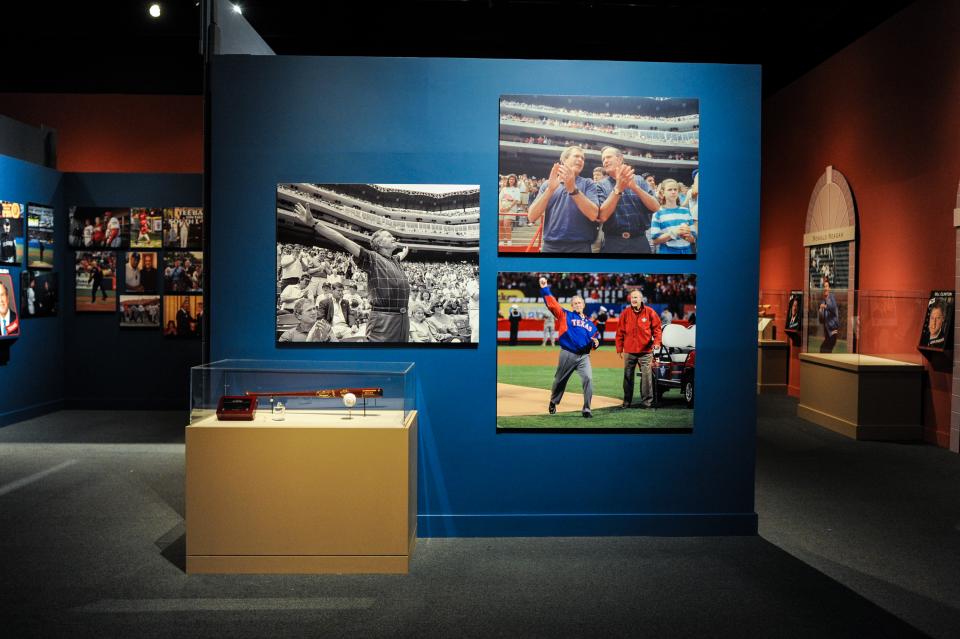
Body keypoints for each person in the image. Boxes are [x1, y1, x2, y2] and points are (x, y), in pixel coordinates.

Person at [296, 202, 410, 342]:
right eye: (388, 236)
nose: (393, 238)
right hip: (384, 319)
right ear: (379, 244)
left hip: (404, 319)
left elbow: (400, 256)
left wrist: (404, 252)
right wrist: (314, 223)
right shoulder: (372, 258)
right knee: (381, 358)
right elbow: (343, 241)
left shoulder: (395, 260)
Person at [539, 276, 600, 418]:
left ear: (584, 304)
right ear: (572, 306)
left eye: (580, 302)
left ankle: (587, 409)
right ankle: (553, 401)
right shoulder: (564, 315)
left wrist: (596, 343)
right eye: (575, 303)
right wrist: (544, 288)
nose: (578, 305)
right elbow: (552, 304)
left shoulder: (591, 325)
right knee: (560, 381)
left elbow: (595, 339)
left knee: (588, 379)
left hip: (584, 356)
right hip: (568, 354)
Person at [527, 145, 601, 253]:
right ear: (564, 160)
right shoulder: (547, 184)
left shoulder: (588, 183)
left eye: (583, 158)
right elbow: (532, 217)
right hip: (550, 246)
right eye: (576, 156)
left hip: (580, 246)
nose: (580, 160)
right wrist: (550, 190)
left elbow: (594, 214)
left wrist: (573, 190)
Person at [595, 146, 660, 254]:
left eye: (608, 157)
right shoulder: (601, 185)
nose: (605, 161)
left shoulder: (639, 180)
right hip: (613, 241)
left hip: (640, 241)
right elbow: (602, 216)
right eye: (603, 159)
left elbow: (656, 207)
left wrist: (635, 188)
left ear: (620, 159)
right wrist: (618, 188)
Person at [616, 289, 662, 409]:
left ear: (641, 299)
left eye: (636, 297)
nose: (634, 300)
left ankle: (647, 402)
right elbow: (620, 332)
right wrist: (619, 348)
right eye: (632, 298)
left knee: (646, 377)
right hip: (629, 351)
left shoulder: (650, 312)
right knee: (627, 376)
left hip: (646, 351)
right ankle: (626, 402)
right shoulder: (625, 313)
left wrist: (657, 342)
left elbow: (657, 329)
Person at [650, 179, 697, 254]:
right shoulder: (658, 214)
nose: (673, 192)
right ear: (663, 193)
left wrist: (687, 236)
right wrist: (674, 233)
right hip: (667, 251)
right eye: (669, 190)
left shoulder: (686, 211)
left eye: (675, 189)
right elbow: (655, 241)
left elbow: (693, 238)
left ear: (678, 192)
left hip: (687, 251)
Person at [498, 174, 521, 246]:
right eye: (510, 179)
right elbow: (500, 198)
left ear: (515, 181)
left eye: (513, 179)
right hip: (502, 207)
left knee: (506, 224)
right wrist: (500, 207)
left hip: (511, 208)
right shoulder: (504, 189)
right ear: (508, 180)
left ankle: (509, 241)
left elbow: (517, 200)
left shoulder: (517, 189)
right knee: (501, 224)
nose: (511, 180)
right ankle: (501, 241)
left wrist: (509, 207)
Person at [818, 278, 839, 353]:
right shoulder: (823, 301)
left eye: (827, 286)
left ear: (829, 288)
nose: (825, 288)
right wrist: (820, 312)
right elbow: (821, 321)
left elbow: (833, 307)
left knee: (823, 349)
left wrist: (825, 306)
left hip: (832, 332)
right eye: (824, 286)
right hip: (827, 334)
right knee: (824, 351)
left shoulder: (832, 298)